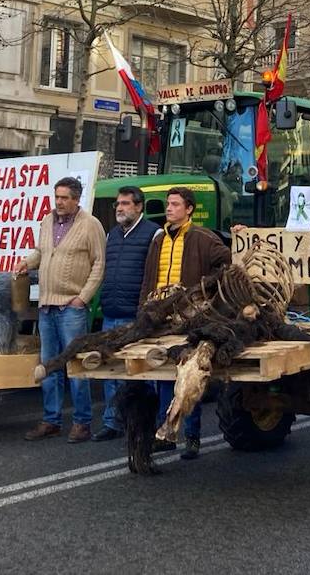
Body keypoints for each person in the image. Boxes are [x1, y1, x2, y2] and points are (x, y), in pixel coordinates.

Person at [140, 187, 230, 460]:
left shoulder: (203, 237)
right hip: (162, 316)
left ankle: (191, 436)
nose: (169, 209)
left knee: (187, 377)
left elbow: (226, 261)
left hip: (190, 319)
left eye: (175, 204)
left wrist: (205, 291)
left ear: (189, 209)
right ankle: (166, 431)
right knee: (164, 375)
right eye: (168, 204)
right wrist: (143, 309)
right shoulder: (159, 240)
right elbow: (149, 278)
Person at [16, 177, 106, 444]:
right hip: (46, 304)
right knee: (48, 365)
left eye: (65, 198)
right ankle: (51, 420)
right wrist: (27, 262)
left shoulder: (91, 225)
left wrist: (83, 298)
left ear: (77, 199)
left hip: (71, 307)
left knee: (76, 366)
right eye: (56, 197)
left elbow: (99, 264)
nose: (59, 202)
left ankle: (82, 423)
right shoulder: (47, 220)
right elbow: (42, 252)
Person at [94, 187, 160, 442]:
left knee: (141, 373)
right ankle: (113, 422)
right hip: (111, 312)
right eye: (117, 204)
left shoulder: (153, 233)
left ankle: (143, 423)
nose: (119, 208)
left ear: (139, 207)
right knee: (112, 370)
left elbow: (153, 274)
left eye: (125, 204)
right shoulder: (112, 234)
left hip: (135, 315)